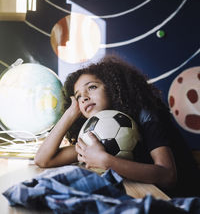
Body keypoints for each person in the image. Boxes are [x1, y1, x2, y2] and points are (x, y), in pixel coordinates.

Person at [34, 55, 200, 198]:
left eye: (91, 87)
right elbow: (43, 159)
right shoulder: (95, 131)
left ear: (112, 88)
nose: (84, 97)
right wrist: (71, 112)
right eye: (78, 96)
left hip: (176, 199)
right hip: (137, 195)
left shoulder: (145, 115)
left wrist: (105, 160)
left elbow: (168, 176)